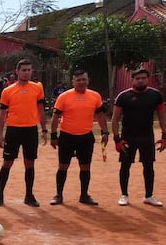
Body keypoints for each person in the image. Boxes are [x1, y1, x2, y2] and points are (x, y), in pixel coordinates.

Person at [48, 69, 108, 206]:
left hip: (86, 137)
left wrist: (105, 132)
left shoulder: (95, 96)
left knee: (85, 167)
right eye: (78, 80)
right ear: (73, 82)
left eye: (84, 79)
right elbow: (56, 117)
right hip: (67, 137)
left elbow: (100, 116)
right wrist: (53, 135)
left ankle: (84, 195)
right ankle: (59, 195)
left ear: (88, 80)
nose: (81, 82)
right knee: (63, 166)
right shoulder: (64, 96)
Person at [0, 59, 48, 207]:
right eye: (23, 70)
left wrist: (44, 129)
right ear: (17, 71)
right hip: (13, 130)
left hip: (31, 130)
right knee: (7, 162)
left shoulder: (37, 88)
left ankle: (29, 195)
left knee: (29, 163)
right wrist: (0, 134)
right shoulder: (8, 91)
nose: (26, 72)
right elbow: (2, 114)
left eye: (29, 70)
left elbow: (41, 110)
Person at [111, 68, 166, 206]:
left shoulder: (156, 95)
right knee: (125, 165)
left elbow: (162, 116)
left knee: (149, 166)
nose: (140, 80)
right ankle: (124, 195)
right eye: (138, 78)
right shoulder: (123, 96)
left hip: (147, 136)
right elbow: (115, 118)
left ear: (147, 79)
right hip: (128, 136)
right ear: (132, 80)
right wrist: (117, 139)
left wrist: (164, 136)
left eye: (143, 78)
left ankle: (149, 196)